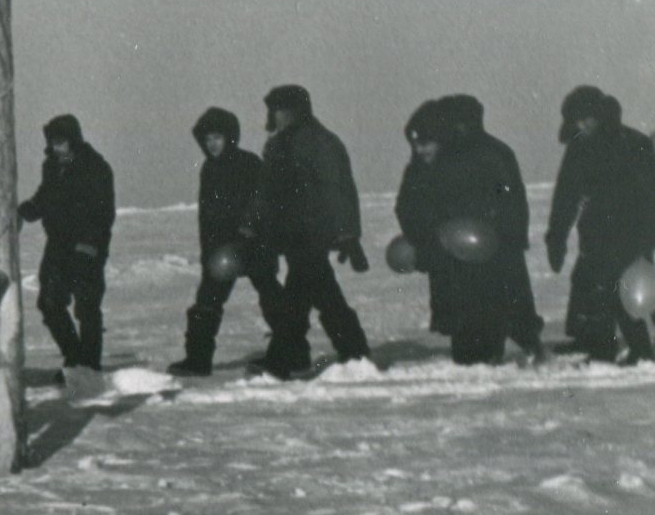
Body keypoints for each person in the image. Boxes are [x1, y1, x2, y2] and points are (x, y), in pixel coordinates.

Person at [392, 96, 533, 365]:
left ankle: (499, 355)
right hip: (448, 256)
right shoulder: (419, 170)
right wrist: (426, 240)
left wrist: (504, 237)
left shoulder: (480, 159)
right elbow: (407, 207)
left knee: (489, 311)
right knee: (464, 321)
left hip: (486, 254)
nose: (420, 150)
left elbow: (509, 202)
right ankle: (480, 358)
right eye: (415, 144)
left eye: (426, 143)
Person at [255, 83, 371, 378]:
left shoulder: (319, 143)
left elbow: (338, 190)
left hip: (312, 233)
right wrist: (255, 224)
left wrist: (348, 235)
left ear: (298, 111)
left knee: (301, 297)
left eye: (283, 110)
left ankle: (285, 359)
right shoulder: (280, 144)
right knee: (319, 294)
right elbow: (267, 192)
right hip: (292, 234)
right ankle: (352, 353)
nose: (278, 116)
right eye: (275, 110)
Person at [546, 85, 655, 362]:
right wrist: (556, 237)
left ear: (599, 115)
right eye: (577, 121)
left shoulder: (635, 143)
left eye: (586, 119)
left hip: (633, 233)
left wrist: (647, 240)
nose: (581, 126)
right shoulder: (579, 147)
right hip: (596, 232)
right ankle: (594, 342)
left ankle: (640, 349)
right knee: (587, 284)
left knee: (622, 288)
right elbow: (566, 196)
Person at [170, 106, 274, 375]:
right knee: (206, 302)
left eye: (217, 137)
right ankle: (198, 360)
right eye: (207, 139)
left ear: (230, 137)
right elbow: (208, 217)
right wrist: (208, 252)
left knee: (272, 298)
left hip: (254, 245)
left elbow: (263, 200)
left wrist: (248, 230)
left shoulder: (249, 163)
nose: (212, 144)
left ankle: (290, 352)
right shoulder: (209, 169)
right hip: (221, 251)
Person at [17, 113, 116, 376]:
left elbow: (103, 213)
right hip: (58, 245)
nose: (57, 148)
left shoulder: (95, 167)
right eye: (53, 143)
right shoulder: (52, 167)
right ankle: (74, 358)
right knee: (49, 303)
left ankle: (89, 367)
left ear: (73, 140)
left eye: (61, 142)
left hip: (87, 248)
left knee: (87, 307)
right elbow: (44, 197)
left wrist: (89, 246)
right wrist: (27, 210)